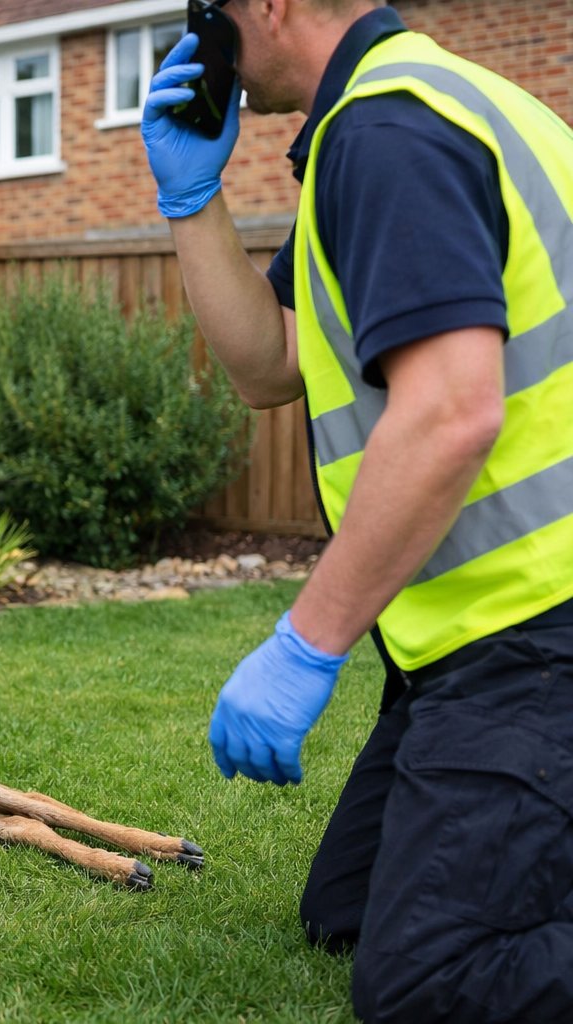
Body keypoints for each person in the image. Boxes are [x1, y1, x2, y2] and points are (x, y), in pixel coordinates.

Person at [139, 1, 573, 1021]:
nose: (204, 44)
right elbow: (271, 364)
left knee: (427, 980)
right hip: (474, 643)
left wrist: (307, 643)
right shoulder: (406, 111)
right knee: (346, 910)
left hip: (539, 637)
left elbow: (451, 412)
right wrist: (190, 199)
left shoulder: (387, 131)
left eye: (208, 14)